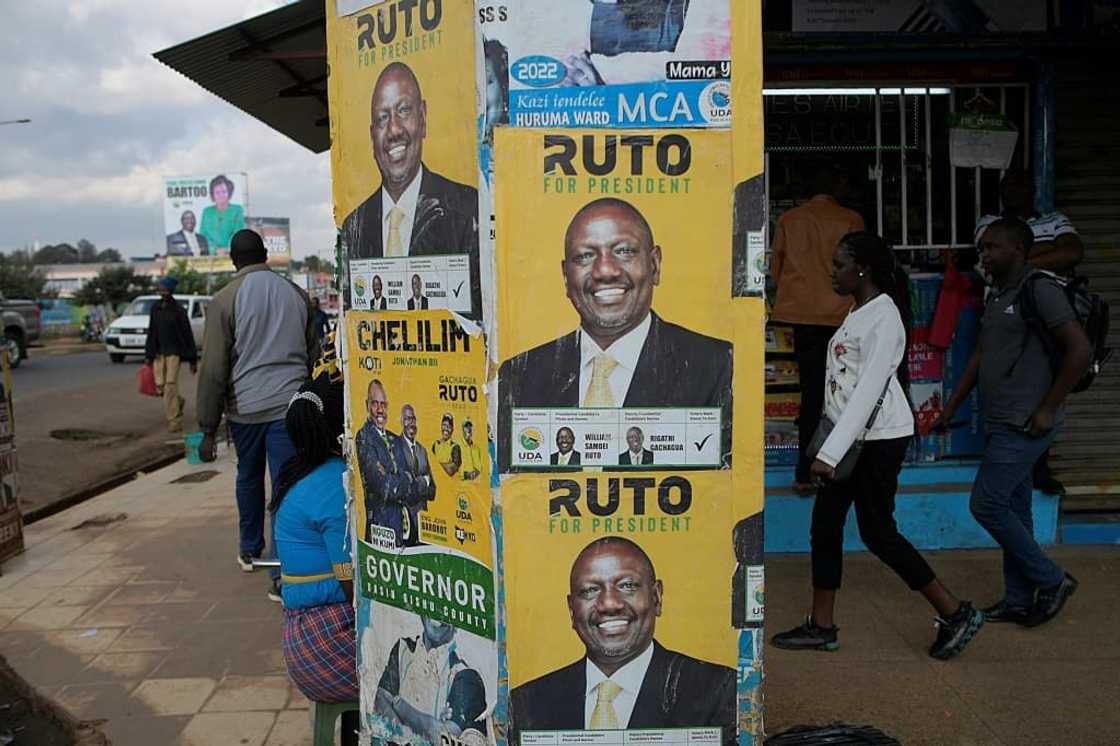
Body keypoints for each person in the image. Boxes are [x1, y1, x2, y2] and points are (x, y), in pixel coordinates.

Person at [771, 232, 984, 661]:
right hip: (855, 438)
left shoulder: (883, 317)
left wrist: (829, 454)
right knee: (826, 526)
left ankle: (955, 611)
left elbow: (868, 391)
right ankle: (822, 626)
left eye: (839, 264)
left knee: (878, 531)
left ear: (862, 268)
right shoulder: (859, 312)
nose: (833, 272)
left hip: (879, 439)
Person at [933, 218, 1090, 627]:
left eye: (992, 248)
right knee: (1015, 508)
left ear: (1019, 250)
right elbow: (981, 355)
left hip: (1027, 421)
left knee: (985, 503)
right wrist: (952, 406)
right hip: (1001, 418)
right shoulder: (999, 294)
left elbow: (1079, 351)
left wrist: (1048, 409)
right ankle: (1019, 599)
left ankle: (1052, 579)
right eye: (982, 248)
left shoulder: (1040, 289)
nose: (983, 255)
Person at [498, 198, 733, 469]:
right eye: (585, 256)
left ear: (654, 265)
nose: (605, 270)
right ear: (565, 276)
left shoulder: (716, 366)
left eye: (624, 251)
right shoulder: (519, 376)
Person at [510, 536, 735, 741]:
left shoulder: (720, 691)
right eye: (590, 590)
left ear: (656, 597)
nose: (609, 603)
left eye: (627, 586)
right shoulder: (526, 703)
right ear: (572, 611)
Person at [197, 229, 320, 601]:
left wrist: (207, 428)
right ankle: (283, 573)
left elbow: (214, 370)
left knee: (248, 479)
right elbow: (314, 357)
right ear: (265, 254)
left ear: (234, 260)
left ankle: (250, 548)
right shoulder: (297, 296)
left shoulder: (223, 301)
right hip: (289, 408)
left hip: (245, 410)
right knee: (285, 488)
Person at [973, 170, 1085, 497]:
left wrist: (1020, 261)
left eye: (1021, 184)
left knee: (1041, 391)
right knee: (1005, 393)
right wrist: (1034, 255)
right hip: (1005, 320)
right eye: (1008, 185)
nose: (1014, 191)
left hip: (1044, 319)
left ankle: (1039, 467)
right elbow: (987, 263)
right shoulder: (990, 223)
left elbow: (1073, 253)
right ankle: (1012, 466)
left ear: (1034, 189)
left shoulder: (1054, 219)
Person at [272, 373, 359, 744]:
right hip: (326, 643)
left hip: (306, 639)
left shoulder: (300, 474)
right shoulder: (333, 484)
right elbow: (353, 585)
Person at [769, 165, 866, 496]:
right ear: (837, 185)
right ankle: (838, 464)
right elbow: (862, 266)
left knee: (811, 395)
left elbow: (775, 268)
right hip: (842, 316)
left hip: (802, 318)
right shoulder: (850, 219)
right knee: (842, 393)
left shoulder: (790, 220)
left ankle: (803, 471)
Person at [342, 63, 479, 263]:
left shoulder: (467, 210)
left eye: (404, 110)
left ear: (423, 117)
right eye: (382, 118)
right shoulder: (354, 226)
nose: (394, 130)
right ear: (372, 137)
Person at [375, 615, 488, 744]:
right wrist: (408, 734)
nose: (439, 615)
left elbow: (442, 735)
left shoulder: (466, 676)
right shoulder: (402, 648)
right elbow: (380, 698)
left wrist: (399, 705)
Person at [355, 380, 423, 546]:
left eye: (383, 404)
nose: (380, 410)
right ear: (367, 405)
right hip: (381, 531)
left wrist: (400, 478)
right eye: (375, 404)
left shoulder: (395, 439)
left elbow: (414, 480)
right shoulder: (364, 437)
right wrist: (404, 479)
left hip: (405, 531)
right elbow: (383, 486)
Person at [144, 276, 197, 433]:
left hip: (174, 353)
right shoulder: (155, 308)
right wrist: (149, 354)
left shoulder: (179, 311)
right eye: (160, 288)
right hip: (159, 353)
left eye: (165, 289)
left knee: (170, 386)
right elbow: (152, 332)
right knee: (161, 387)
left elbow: (187, 335)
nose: (162, 291)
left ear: (171, 290)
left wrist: (192, 359)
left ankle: (174, 420)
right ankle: (178, 402)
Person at [398, 404, 436, 544]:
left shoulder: (422, 451)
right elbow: (406, 488)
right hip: (404, 523)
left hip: (423, 523)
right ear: (402, 421)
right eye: (407, 419)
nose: (411, 423)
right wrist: (423, 481)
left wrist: (418, 484)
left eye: (413, 419)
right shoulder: (395, 447)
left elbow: (433, 491)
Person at [198, 174, 246, 251]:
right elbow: (203, 236)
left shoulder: (237, 210)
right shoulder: (207, 212)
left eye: (224, 191)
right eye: (217, 192)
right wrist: (214, 250)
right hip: (211, 256)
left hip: (233, 252)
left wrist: (227, 249)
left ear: (229, 192)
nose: (221, 195)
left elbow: (238, 233)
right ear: (213, 195)